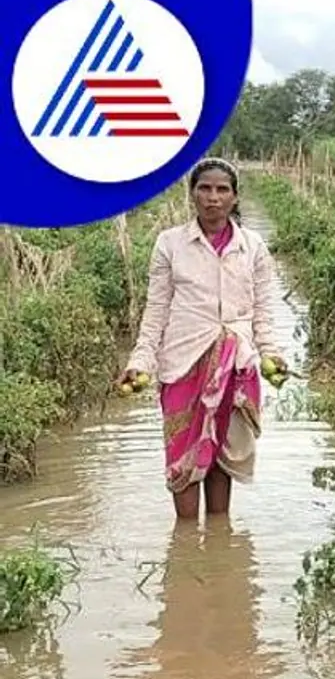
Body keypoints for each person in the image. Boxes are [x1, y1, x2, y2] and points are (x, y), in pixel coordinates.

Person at [118, 157, 287, 520]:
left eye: (222, 189)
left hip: (236, 362)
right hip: (183, 362)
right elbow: (156, 311)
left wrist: (272, 352)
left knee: (222, 457)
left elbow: (264, 312)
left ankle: (216, 541)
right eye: (205, 188)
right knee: (183, 458)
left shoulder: (253, 247)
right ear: (192, 194)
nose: (213, 197)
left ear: (235, 197)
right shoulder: (170, 244)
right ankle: (185, 543)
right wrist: (140, 361)